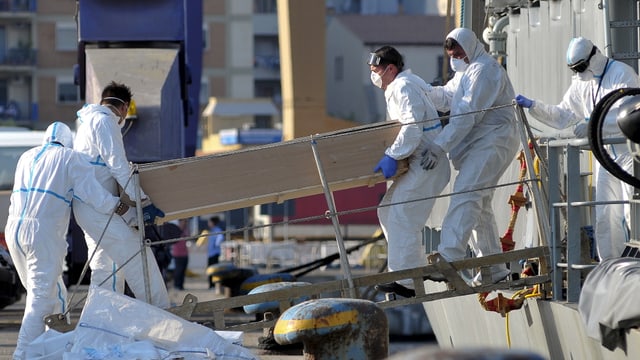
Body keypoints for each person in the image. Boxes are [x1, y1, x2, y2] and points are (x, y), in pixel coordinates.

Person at [5, 122, 132, 359]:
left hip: (14, 230)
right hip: (43, 232)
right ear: (69, 141)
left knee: (49, 289)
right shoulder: (70, 158)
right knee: (41, 297)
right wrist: (118, 205)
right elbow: (92, 193)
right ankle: (22, 354)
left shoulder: (26, 156)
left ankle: (55, 344)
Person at [516, 37, 640, 261]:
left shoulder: (622, 74)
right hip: (605, 158)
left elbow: (628, 114)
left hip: (628, 155)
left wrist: (592, 123)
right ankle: (610, 268)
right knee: (604, 216)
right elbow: (563, 116)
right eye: (574, 69)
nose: (579, 72)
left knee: (632, 212)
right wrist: (534, 106)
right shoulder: (581, 83)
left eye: (581, 67)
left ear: (594, 57)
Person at [422, 27, 520, 285]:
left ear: (470, 46)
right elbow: (446, 97)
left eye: (459, 52)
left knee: (466, 193)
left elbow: (467, 115)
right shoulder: (468, 71)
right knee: (481, 205)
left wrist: (439, 145)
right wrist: (420, 89)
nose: (455, 57)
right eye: (452, 54)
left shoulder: (485, 71)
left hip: (494, 141)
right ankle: (494, 267)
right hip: (484, 143)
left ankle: (448, 258)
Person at [73, 81, 169, 308]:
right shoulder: (105, 121)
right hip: (98, 207)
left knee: (106, 264)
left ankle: (104, 321)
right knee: (136, 252)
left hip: (88, 205)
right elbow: (118, 166)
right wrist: (143, 201)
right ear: (125, 107)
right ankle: (162, 312)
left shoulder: (86, 123)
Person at [367, 46, 451, 298]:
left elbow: (412, 128)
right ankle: (407, 270)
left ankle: (406, 280)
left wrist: (392, 154)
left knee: (403, 214)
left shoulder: (402, 87)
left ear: (390, 69)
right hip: (417, 163)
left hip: (427, 164)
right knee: (387, 210)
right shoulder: (406, 83)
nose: (374, 77)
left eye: (376, 71)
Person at [170, 219, 190, 290]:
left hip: (185, 253)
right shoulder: (176, 229)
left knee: (183, 271)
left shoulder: (186, 230)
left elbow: (187, 238)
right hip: (177, 254)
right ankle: (176, 285)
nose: (184, 223)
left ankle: (181, 285)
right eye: (183, 221)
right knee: (178, 270)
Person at [207, 216, 225, 288]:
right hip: (210, 253)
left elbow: (220, 238)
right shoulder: (211, 230)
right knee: (210, 270)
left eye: (209, 222)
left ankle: (213, 285)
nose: (208, 223)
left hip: (214, 253)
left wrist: (215, 244)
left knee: (213, 270)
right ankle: (211, 284)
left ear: (213, 222)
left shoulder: (217, 230)